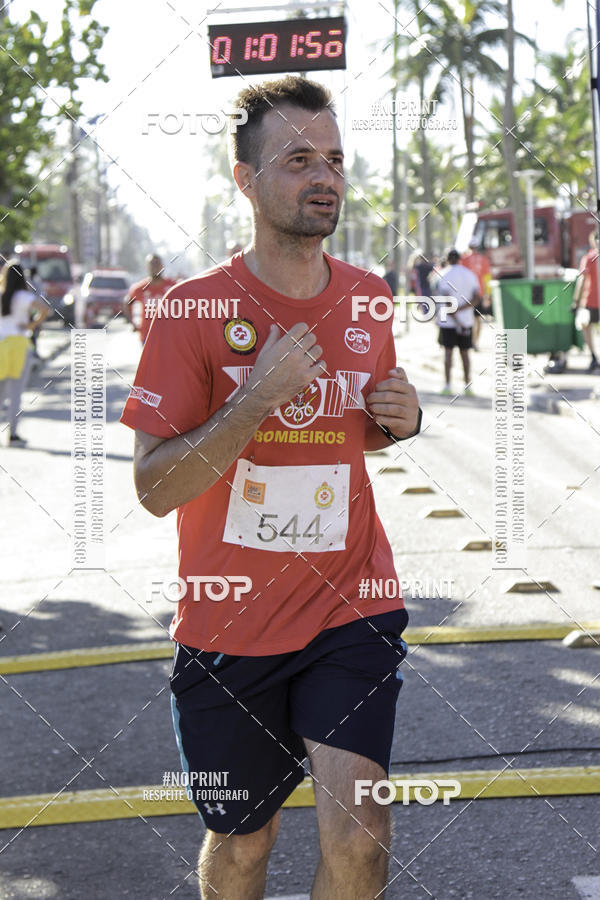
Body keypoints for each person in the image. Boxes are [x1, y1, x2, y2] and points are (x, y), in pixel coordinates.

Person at [121, 76, 421, 899]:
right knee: (244, 843)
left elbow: (348, 431)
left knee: (363, 831)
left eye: (333, 159)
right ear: (245, 179)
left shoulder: (369, 297)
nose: (324, 175)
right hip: (230, 622)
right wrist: (255, 396)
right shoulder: (190, 311)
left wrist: (402, 418)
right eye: (297, 159)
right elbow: (153, 485)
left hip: (348, 604)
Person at [0, 260, 49, 444]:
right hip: (20, 345)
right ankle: (12, 434)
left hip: (1, 344)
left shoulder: (2, 294)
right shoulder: (23, 296)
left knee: (0, 391)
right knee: (15, 392)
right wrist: (31, 325)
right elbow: (45, 309)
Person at [436, 248, 480, 396]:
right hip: (467, 321)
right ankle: (468, 386)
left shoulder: (443, 274)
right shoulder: (470, 274)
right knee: (465, 353)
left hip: (448, 322)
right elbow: (476, 297)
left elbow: (447, 301)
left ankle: (447, 385)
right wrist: (462, 311)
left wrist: (456, 316)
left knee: (448, 353)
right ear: (460, 259)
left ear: (447, 259)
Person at [125, 254, 176, 344]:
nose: (154, 267)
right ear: (147, 267)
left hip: (169, 337)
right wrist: (132, 323)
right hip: (147, 336)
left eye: (157, 264)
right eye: (152, 264)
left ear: (162, 266)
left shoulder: (172, 286)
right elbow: (127, 302)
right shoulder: (140, 288)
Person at [573, 230, 600, 372]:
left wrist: (575, 300)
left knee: (586, 327)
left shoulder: (589, 258)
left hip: (591, 301)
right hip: (593, 301)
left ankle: (594, 357)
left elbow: (581, 280)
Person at [460, 237, 492, 349]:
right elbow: (487, 278)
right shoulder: (484, 260)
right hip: (479, 294)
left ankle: (471, 341)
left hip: (467, 294)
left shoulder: (463, 260)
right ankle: (475, 341)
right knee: (477, 319)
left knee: (469, 318)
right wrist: (488, 295)